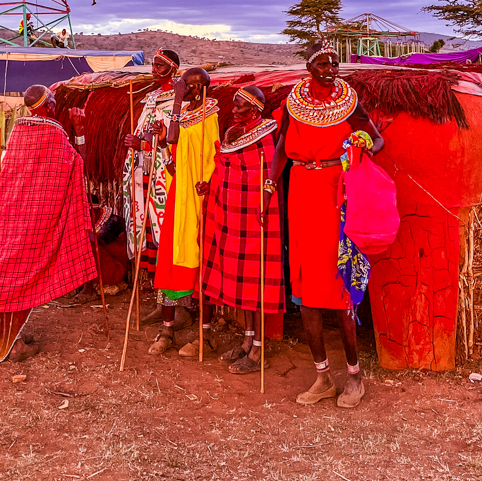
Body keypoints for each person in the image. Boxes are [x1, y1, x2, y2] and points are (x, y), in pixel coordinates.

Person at [259, 40, 384, 409]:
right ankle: (322, 376)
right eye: (325, 64)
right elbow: (281, 147)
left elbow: (377, 139)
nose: (332, 69)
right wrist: (269, 186)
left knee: (340, 284)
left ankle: (354, 377)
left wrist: (363, 145)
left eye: (335, 64)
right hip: (301, 191)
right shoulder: (293, 105)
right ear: (309, 67)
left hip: (336, 192)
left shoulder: (349, 100)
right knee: (307, 286)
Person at [0, 85, 97, 361]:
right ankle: (10, 346)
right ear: (49, 105)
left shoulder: (17, 133)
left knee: (8, 272)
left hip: (8, 216)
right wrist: (80, 132)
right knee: (22, 273)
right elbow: (78, 168)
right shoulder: (55, 135)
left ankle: (9, 337)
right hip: (37, 219)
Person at [200, 85, 283, 374]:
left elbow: (261, 174)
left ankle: (259, 349)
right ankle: (248, 341)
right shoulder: (234, 133)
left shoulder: (266, 136)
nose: (233, 110)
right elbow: (225, 169)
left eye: (240, 106)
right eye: (233, 106)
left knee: (256, 280)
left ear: (256, 109)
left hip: (256, 216)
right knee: (241, 278)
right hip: (232, 216)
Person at [150, 67, 220, 356]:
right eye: (181, 86)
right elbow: (173, 151)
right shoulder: (187, 115)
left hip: (200, 198)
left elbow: (213, 157)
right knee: (169, 260)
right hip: (179, 193)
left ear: (200, 89)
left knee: (201, 260)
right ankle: (167, 330)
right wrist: (166, 144)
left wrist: (176, 104)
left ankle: (205, 336)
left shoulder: (209, 116)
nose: (183, 90)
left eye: (187, 87)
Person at [122, 49, 181, 281]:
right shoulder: (151, 97)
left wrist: (145, 146)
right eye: (153, 65)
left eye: (160, 66)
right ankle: (154, 286)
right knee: (146, 224)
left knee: (163, 228)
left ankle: (168, 289)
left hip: (164, 175)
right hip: (143, 171)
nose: (154, 70)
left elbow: (176, 140)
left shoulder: (180, 101)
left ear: (173, 69)